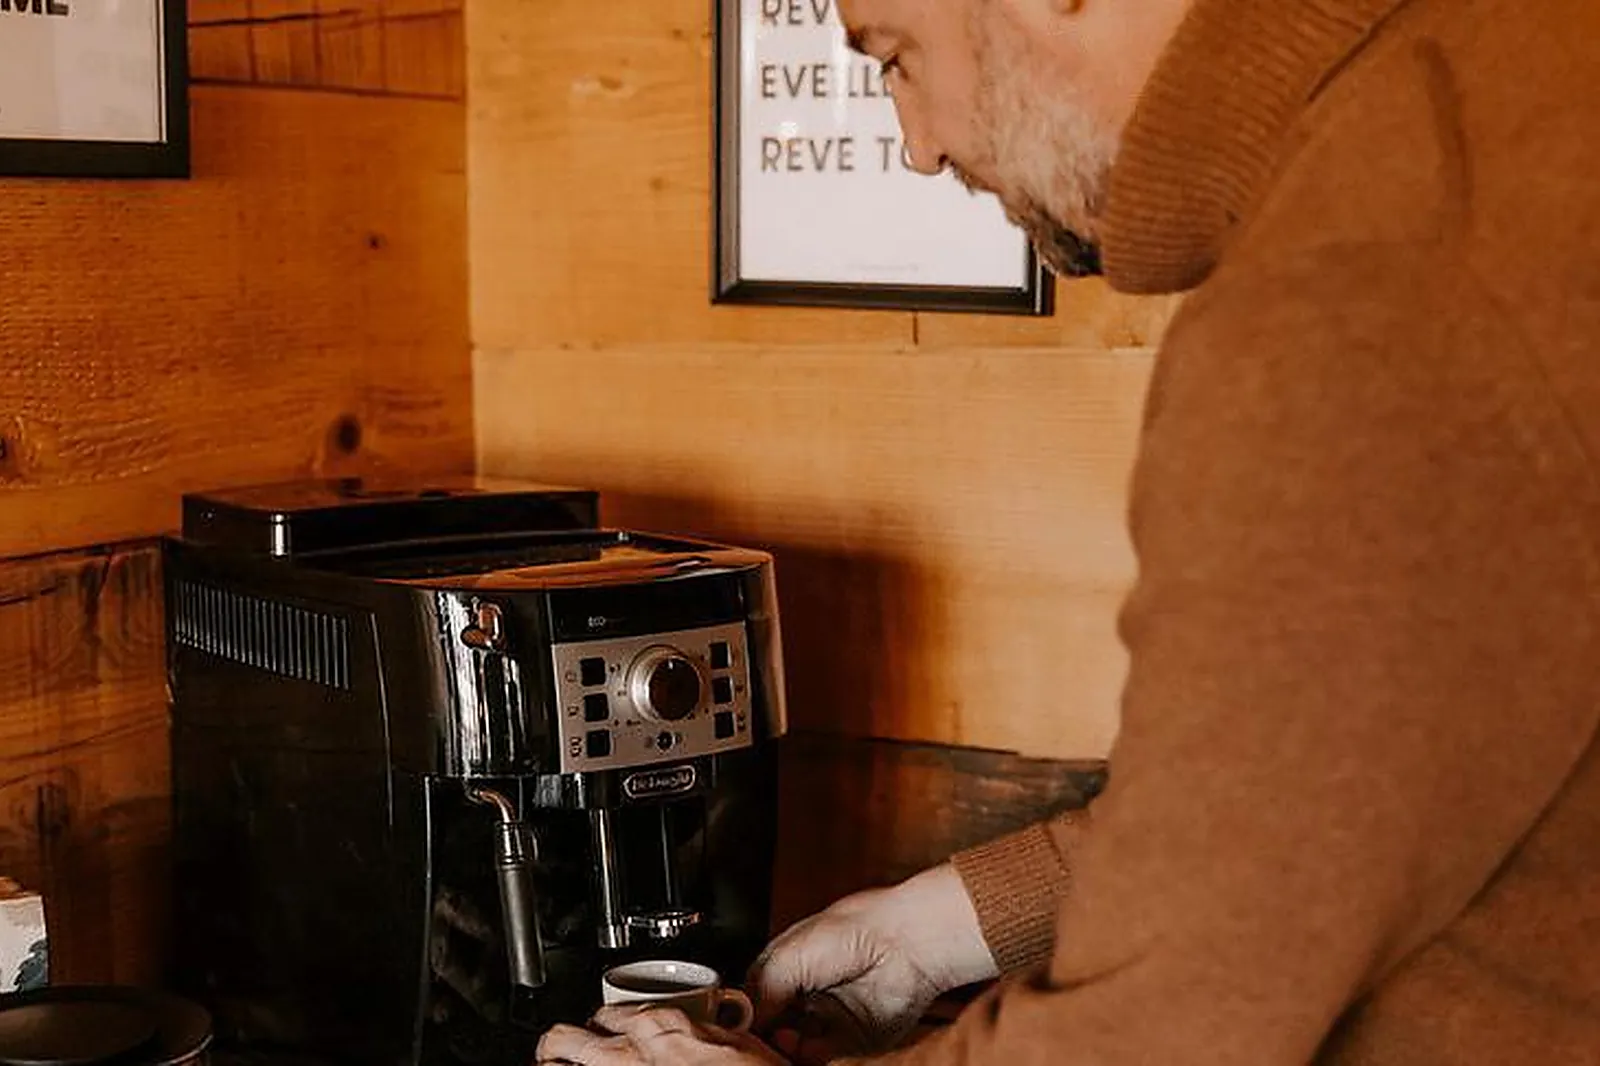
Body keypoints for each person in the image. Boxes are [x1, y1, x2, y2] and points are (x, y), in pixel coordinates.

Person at [537, 0, 1600, 1061]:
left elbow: (1159, 1032)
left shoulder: (1351, 289)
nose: (919, 146)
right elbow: (1321, 803)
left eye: (898, 57)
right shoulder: (1499, 105)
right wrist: (939, 929)